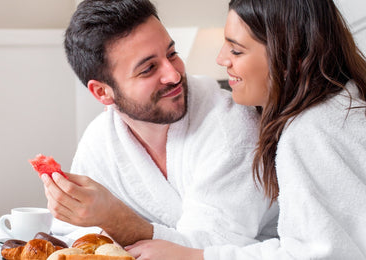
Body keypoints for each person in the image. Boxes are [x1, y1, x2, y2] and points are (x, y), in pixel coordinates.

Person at [126, 0, 366, 259]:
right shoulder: (345, 103)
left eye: (236, 51)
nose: (221, 59)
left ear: (292, 59)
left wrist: (194, 256)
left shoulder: (308, 133)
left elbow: (316, 254)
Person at [40, 0, 279, 249]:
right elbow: (74, 237)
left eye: (172, 54)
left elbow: (212, 249)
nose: (174, 75)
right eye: (149, 69)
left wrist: (115, 220)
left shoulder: (231, 127)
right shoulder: (101, 139)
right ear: (102, 92)